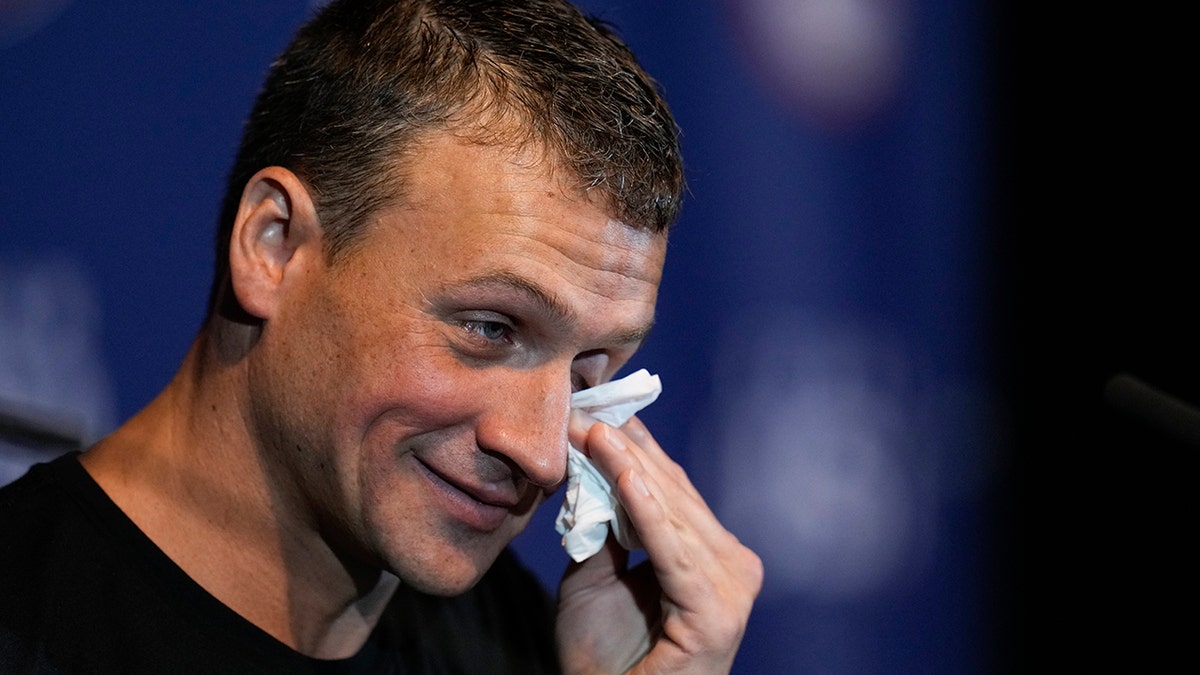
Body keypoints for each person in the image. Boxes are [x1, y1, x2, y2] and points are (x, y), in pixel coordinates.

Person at [0, 0, 762, 672]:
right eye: (490, 328)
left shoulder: (534, 646)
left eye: (591, 373)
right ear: (274, 246)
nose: (538, 452)